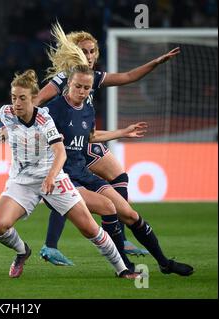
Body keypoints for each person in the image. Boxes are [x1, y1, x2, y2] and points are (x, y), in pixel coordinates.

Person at [0, 70, 141, 279]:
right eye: (14, 98)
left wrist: (50, 177)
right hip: (22, 182)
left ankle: (123, 269)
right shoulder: (9, 113)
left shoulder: (44, 119)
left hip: (53, 178)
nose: (17, 103)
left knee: (90, 229)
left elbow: (60, 152)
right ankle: (22, 252)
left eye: (22, 98)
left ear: (33, 99)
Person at [37, 23, 181, 265]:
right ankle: (53, 244)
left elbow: (126, 77)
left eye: (93, 51)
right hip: (63, 141)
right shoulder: (63, 80)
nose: (90, 56)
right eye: (85, 51)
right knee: (68, 186)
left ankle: (121, 237)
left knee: (118, 175)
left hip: (84, 136)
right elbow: (36, 101)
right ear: (74, 53)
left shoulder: (94, 77)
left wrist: (155, 63)